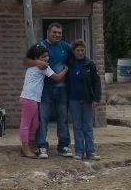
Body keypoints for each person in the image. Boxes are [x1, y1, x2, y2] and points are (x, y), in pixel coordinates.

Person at [24, 22, 72, 159]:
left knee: (63, 118)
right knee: (42, 119)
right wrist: (37, 62)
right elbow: (26, 61)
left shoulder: (66, 47)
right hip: (45, 90)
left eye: (59, 33)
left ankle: (63, 146)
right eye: (54, 32)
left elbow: (77, 58)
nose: (57, 35)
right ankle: (42, 147)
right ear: (48, 32)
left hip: (62, 89)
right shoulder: (40, 46)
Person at [19, 45, 67, 158]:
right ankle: (25, 148)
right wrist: (66, 69)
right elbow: (57, 78)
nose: (46, 58)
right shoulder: (43, 66)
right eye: (43, 56)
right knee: (26, 124)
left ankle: (30, 144)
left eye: (47, 56)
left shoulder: (35, 65)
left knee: (35, 123)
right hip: (29, 98)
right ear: (37, 58)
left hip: (33, 99)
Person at [67, 39, 102, 160]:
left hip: (87, 100)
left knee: (88, 126)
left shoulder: (90, 64)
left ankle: (91, 151)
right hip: (73, 99)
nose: (80, 52)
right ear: (74, 51)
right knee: (77, 126)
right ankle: (79, 151)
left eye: (82, 50)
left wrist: (96, 98)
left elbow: (96, 82)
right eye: (78, 50)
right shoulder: (70, 63)